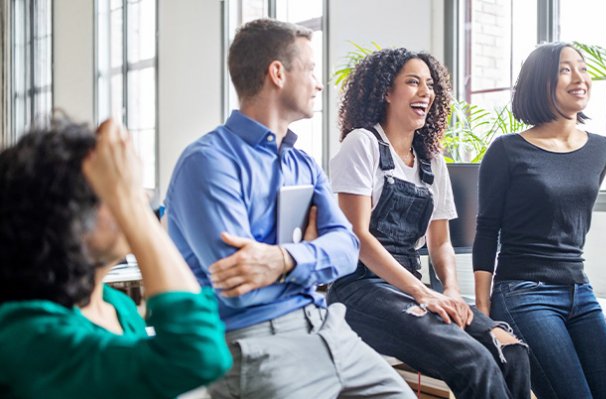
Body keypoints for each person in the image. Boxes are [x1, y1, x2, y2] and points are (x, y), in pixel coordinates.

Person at [165, 19, 413, 399]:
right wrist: (315, 258)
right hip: (259, 342)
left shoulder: (303, 163)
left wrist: (284, 260)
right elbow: (241, 289)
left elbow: (347, 250)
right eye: (311, 70)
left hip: (329, 330)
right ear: (278, 73)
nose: (319, 83)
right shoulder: (208, 162)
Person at [327, 47, 532, 399]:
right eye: (412, 82)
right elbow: (358, 237)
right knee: (474, 361)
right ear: (386, 92)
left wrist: (450, 290)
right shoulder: (362, 144)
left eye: (430, 85)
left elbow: (440, 243)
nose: (426, 92)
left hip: (408, 287)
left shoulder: (432, 161)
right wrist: (422, 293)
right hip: (359, 291)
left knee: (511, 351)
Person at [0, 118, 231, 398]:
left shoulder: (118, 306)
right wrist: (130, 203)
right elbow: (199, 351)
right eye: (112, 191)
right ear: (67, 218)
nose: (141, 198)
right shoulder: (27, 335)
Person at [472, 42, 606, 399]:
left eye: (583, 68)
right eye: (565, 70)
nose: (580, 78)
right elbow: (486, 230)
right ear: (541, 82)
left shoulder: (601, 149)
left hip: (580, 290)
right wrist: (483, 315)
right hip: (523, 292)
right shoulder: (507, 150)